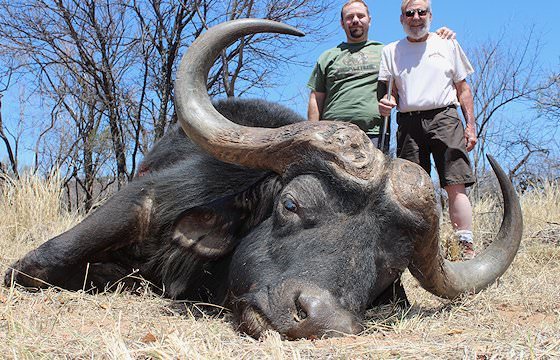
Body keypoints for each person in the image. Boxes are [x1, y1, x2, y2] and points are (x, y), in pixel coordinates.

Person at [378, 0, 477, 259]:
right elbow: (387, 93)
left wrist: (470, 125)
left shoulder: (447, 43)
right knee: (413, 189)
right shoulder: (390, 50)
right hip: (408, 123)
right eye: (410, 13)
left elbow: (463, 89)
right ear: (402, 19)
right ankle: (421, 250)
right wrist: (386, 104)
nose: (416, 17)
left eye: (422, 12)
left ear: (430, 16)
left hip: (444, 117)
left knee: (455, 183)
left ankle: (463, 245)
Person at [307, 0, 454, 154]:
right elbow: (316, 98)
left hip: (374, 133)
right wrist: (312, 134)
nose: (355, 20)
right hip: (332, 133)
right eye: (349, 17)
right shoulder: (327, 56)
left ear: (369, 20)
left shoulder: (388, 51)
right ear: (342, 23)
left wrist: (437, 36)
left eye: (360, 16)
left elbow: (416, 50)